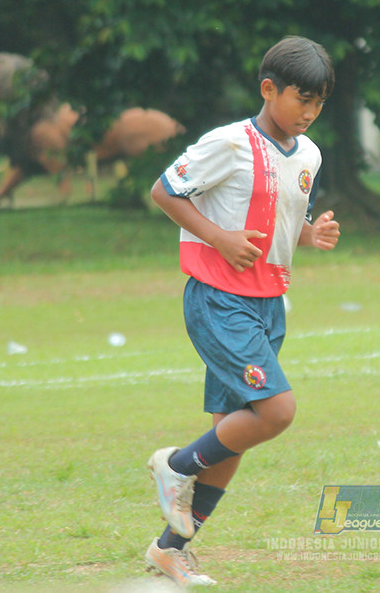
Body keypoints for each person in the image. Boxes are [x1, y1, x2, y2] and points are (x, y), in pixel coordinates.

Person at [145, 36, 340, 587]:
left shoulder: (310, 155)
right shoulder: (228, 143)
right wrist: (219, 238)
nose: (309, 113)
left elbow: (276, 219)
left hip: (268, 305)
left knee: (232, 435)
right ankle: (175, 466)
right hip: (219, 301)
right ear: (268, 89)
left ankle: (170, 550)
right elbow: (165, 191)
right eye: (302, 99)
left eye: (320, 103)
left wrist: (308, 233)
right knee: (276, 412)